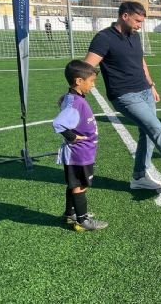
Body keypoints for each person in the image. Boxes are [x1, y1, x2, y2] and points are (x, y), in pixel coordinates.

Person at [85, 1, 161, 190]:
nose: (139, 25)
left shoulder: (134, 36)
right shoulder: (103, 38)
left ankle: (139, 176)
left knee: (148, 134)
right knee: (155, 127)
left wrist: (151, 85)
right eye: (137, 21)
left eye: (141, 22)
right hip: (124, 95)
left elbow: (141, 62)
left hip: (144, 91)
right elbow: (87, 66)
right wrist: (77, 93)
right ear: (124, 16)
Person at [52, 60, 108, 231]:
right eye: (91, 81)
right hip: (80, 153)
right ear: (78, 81)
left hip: (79, 153)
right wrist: (73, 137)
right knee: (80, 185)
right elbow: (58, 124)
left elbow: (62, 102)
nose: (93, 85)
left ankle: (70, 214)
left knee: (74, 184)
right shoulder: (77, 103)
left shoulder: (72, 97)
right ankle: (82, 220)